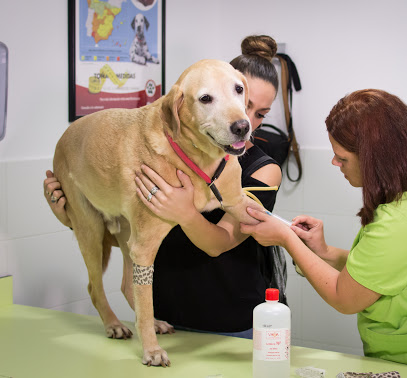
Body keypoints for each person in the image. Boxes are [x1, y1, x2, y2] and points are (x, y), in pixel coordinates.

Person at [240, 89, 407, 376]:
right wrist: (324, 252)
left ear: (374, 159)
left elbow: (345, 297)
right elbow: (386, 268)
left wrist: (287, 239)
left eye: (342, 158)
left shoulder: (402, 221)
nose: (334, 163)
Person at [43, 35, 284, 339]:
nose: (243, 120)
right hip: (168, 319)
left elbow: (218, 242)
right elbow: (124, 233)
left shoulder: (265, 169)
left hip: (234, 323)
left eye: (259, 113)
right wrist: (69, 215)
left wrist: (184, 211)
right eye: (242, 102)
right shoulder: (159, 152)